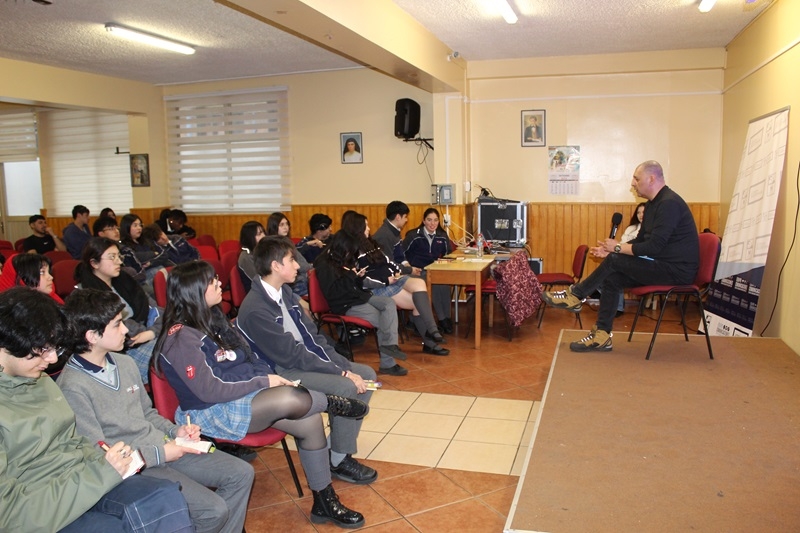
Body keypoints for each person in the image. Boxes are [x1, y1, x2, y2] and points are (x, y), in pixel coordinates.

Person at [154, 261, 368, 529]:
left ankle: (324, 502)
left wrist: (261, 378)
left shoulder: (214, 319)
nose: (220, 284)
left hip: (243, 397)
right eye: (212, 281)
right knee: (292, 397)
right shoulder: (181, 337)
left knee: (310, 419)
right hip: (209, 411)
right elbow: (210, 389)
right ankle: (331, 403)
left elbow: (250, 359)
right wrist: (262, 382)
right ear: (193, 291)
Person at [58, 289, 254, 533]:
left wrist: (176, 431)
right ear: (92, 336)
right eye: (118, 325)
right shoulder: (72, 387)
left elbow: (147, 414)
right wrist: (161, 452)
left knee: (241, 473)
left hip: (163, 448)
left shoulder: (124, 362)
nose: (126, 330)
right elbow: (100, 452)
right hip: (138, 468)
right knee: (213, 510)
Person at [0, 287, 194, 533]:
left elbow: (75, 443)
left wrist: (107, 460)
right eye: (42, 350)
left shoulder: (39, 379)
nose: (51, 360)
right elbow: (9, 514)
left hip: (82, 478)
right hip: (44, 503)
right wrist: (102, 472)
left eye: (54, 349)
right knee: (113, 526)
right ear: (9, 344)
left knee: (162, 496)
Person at [236, 236, 379, 484]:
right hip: (281, 373)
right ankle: (339, 461)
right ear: (275, 266)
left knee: (366, 376)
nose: (298, 266)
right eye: (291, 260)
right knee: (347, 387)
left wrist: (342, 366)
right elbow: (292, 354)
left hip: (303, 361)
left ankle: (337, 454)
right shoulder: (255, 308)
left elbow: (313, 339)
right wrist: (341, 373)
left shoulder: (286, 293)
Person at [542, 161, 700, 352]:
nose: (633, 183)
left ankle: (576, 295)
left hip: (677, 272)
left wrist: (617, 248)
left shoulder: (669, 204)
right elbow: (641, 241)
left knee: (616, 260)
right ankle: (602, 335)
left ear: (651, 179)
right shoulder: (651, 206)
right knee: (613, 278)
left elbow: (654, 247)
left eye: (636, 178)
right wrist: (612, 250)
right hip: (660, 266)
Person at [342, 212, 449, 356]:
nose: (368, 228)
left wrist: (398, 271)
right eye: (365, 226)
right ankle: (430, 340)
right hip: (380, 287)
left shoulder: (370, 243)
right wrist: (387, 280)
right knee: (419, 302)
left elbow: (388, 261)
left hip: (391, 279)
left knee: (419, 285)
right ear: (357, 228)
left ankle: (432, 331)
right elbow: (362, 279)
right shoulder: (352, 251)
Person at [315, 231, 408, 376]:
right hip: (346, 304)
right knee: (384, 321)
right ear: (342, 248)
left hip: (359, 296)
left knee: (389, 303)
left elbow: (352, 284)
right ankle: (388, 363)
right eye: (350, 251)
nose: (351, 255)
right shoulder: (324, 264)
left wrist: (359, 277)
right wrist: (352, 276)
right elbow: (333, 292)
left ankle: (391, 345)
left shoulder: (343, 258)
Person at [74, 237, 161, 383]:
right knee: (171, 355)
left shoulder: (125, 281)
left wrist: (151, 332)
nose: (119, 262)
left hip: (149, 336)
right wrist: (145, 333)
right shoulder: (86, 297)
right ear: (94, 263)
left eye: (119, 256)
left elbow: (157, 310)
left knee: (183, 342)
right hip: (124, 351)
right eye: (112, 257)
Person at [402, 207, 456, 333]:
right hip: (416, 272)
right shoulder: (413, 235)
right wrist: (409, 267)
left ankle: (446, 318)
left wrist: (445, 262)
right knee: (434, 283)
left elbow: (449, 255)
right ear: (424, 221)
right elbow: (400, 254)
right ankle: (440, 319)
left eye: (436, 220)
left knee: (443, 283)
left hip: (434, 270)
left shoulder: (442, 236)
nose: (433, 223)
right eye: (429, 220)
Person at [93, 215, 148, 287]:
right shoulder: (96, 252)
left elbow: (141, 271)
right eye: (112, 228)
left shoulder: (125, 249)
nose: (116, 231)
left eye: (116, 228)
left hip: (137, 284)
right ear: (101, 234)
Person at [266, 212, 311, 298]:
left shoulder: (286, 243)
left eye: (287, 224)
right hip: (293, 286)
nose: (285, 227)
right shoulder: (279, 246)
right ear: (274, 227)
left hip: (295, 283)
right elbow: (304, 267)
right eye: (281, 225)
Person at [372, 200, 421, 276]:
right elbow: (389, 263)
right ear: (398, 217)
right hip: (388, 275)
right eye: (405, 217)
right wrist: (409, 270)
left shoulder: (395, 230)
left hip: (397, 271)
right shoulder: (384, 235)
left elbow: (400, 256)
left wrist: (408, 266)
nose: (406, 220)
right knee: (420, 283)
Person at [120, 214, 173, 283]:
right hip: (144, 276)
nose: (139, 228)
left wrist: (151, 263)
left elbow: (164, 254)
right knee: (157, 272)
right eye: (135, 225)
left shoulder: (146, 239)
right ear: (126, 227)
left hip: (159, 268)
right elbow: (136, 258)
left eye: (140, 225)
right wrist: (154, 253)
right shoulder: (124, 246)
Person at [615, 202, 646, 315]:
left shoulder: (652, 230)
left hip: (642, 263)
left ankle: (597, 289)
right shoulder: (631, 228)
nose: (641, 215)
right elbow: (622, 244)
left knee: (616, 267)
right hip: (625, 257)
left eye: (644, 212)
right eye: (638, 212)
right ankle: (617, 306)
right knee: (614, 265)